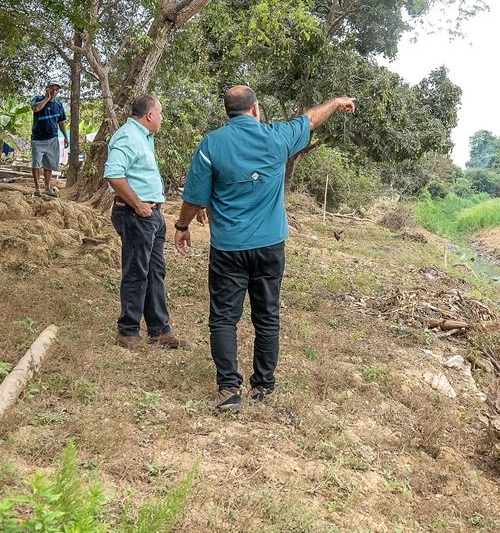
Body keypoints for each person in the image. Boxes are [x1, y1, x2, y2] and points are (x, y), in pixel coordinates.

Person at [174, 86, 356, 411]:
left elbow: (194, 200)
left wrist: (182, 226)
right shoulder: (277, 137)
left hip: (229, 248)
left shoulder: (211, 145)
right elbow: (310, 120)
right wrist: (336, 101)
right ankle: (263, 387)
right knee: (267, 316)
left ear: (228, 112)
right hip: (270, 247)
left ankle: (229, 390)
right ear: (255, 109)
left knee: (224, 319)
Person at [104, 94, 183, 350]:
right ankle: (127, 331)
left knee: (154, 272)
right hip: (135, 214)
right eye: (160, 113)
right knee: (137, 271)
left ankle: (159, 330)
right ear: (149, 115)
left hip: (152, 215)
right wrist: (138, 206)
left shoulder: (144, 137)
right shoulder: (128, 136)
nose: (161, 118)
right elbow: (114, 175)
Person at [30, 83, 66, 196]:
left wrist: (65, 136)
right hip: (38, 138)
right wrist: (47, 99)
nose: (54, 92)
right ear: (47, 89)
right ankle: (37, 188)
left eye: (57, 90)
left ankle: (47, 187)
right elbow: (36, 108)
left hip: (52, 138)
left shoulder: (59, 104)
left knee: (49, 165)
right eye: (52, 89)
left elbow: (61, 121)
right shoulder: (37, 99)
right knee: (36, 163)